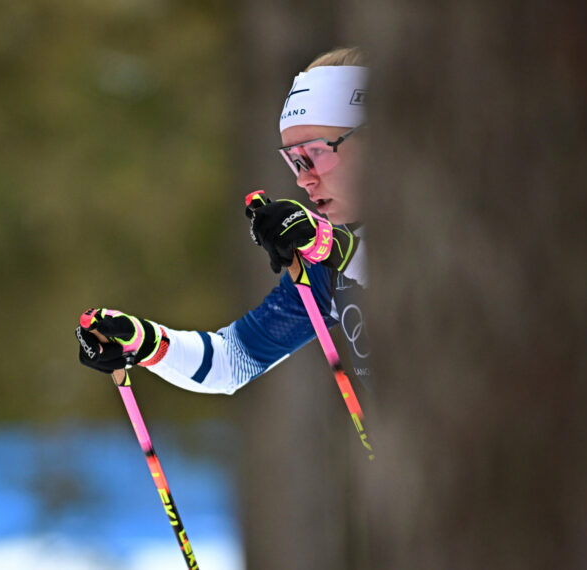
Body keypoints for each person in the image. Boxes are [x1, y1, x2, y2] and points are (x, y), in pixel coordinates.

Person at [75, 46, 372, 394]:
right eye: (294, 159)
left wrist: (336, 247)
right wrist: (147, 342)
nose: (302, 178)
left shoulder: (445, 224)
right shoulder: (330, 263)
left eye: (317, 153)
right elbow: (232, 360)